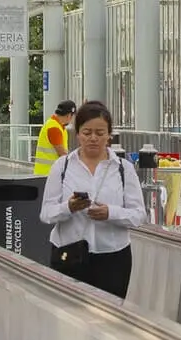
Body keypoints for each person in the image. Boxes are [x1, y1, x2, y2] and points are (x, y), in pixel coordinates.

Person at [37, 101, 145, 299]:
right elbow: (46, 213)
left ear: (109, 135)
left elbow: (138, 215)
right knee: (69, 317)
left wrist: (110, 213)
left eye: (100, 133)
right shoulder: (62, 167)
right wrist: (68, 207)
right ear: (77, 134)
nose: (93, 138)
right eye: (87, 132)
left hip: (113, 258)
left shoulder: (123, 169)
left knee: (108, 319)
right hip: (68, 255)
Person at [32, 100, 76, 176]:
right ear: (69, 115)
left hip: (47, 172)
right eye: (72, 117)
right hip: (48, 174)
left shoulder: (55, 125)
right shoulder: (54, 128)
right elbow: (61, 152)